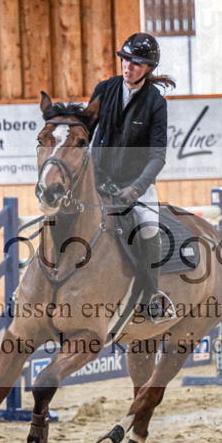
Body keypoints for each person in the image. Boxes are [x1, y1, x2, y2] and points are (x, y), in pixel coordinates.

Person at [89, 32, 177, 322]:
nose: (128, 66)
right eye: (126, 59)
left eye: (137, 63)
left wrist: (137, 189)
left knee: (149, 227)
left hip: (134, 186)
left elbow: (157, 156)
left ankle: (152, 295)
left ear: (149, 68)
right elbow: (84, 133)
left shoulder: (155, 103)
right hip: (98, 181)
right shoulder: (104, 89)